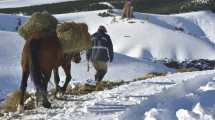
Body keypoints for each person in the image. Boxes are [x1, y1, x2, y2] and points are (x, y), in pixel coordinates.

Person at [86, 25, 114, 91]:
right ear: (104, 31)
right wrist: (111, 56)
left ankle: (95, 83)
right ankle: (96, 83)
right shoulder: (106, 37)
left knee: (98, 71)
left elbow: (88, 48)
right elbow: (110, 48)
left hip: (93, 58)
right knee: (104, 71)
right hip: (102, 57)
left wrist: (87, 57)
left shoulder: (92, 36)